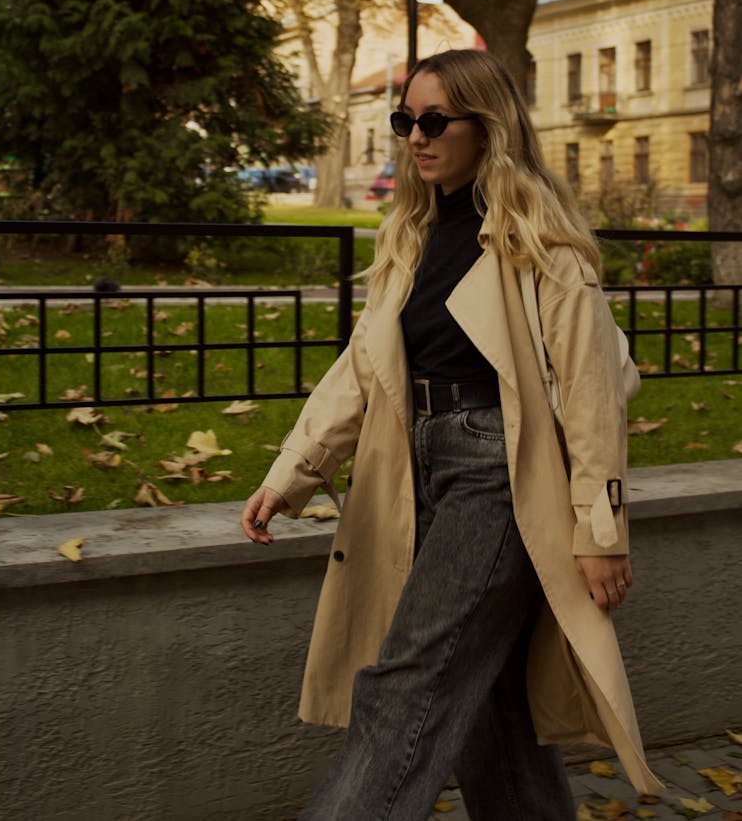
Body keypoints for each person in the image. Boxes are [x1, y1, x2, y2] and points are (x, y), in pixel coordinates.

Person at [241, 48, 661, 820]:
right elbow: (365, 366)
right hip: (416, 462)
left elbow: (592, 387)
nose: (416, 136)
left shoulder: (541, 238)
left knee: (408, 686)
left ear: (487, 124)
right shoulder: (414, 229)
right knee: (489, 704)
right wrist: (293, 469)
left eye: (434, 120)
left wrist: (602, 529)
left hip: (496, 473)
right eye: (406, 120)